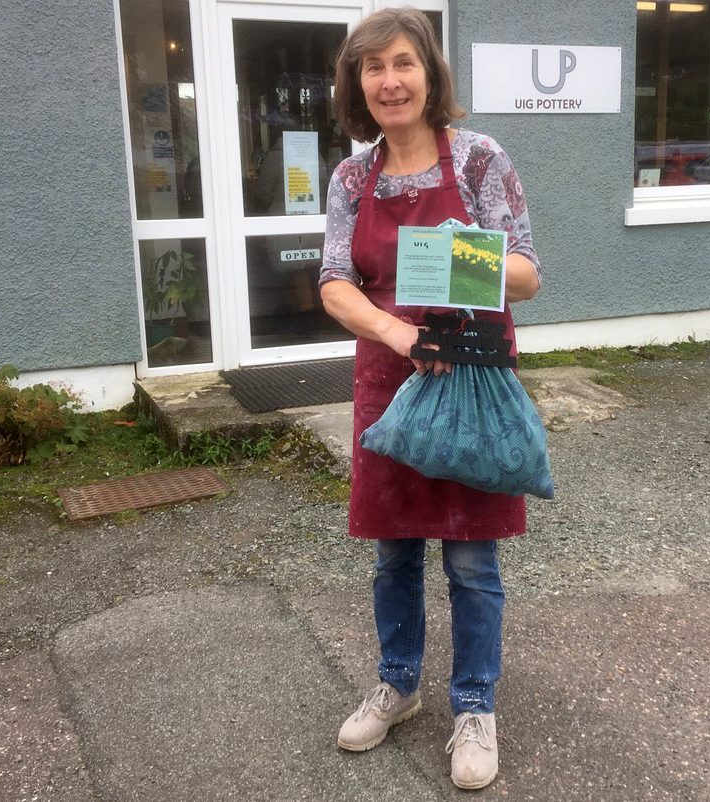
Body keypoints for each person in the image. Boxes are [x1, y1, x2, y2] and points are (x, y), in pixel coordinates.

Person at [318, 7, 541, 792]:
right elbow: (333, 283)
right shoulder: (352, 176)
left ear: (429, 72)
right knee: (393, 553)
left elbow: (525, 273)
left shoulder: (480, 160)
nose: (389, 81)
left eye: (403, 63)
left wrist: (449, 256)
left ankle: (474, 706)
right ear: (357, 85)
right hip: (390, 375)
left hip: (473, 374)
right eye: (372, 68)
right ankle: (399, 685)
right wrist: (398, 333)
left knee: (472, 558)